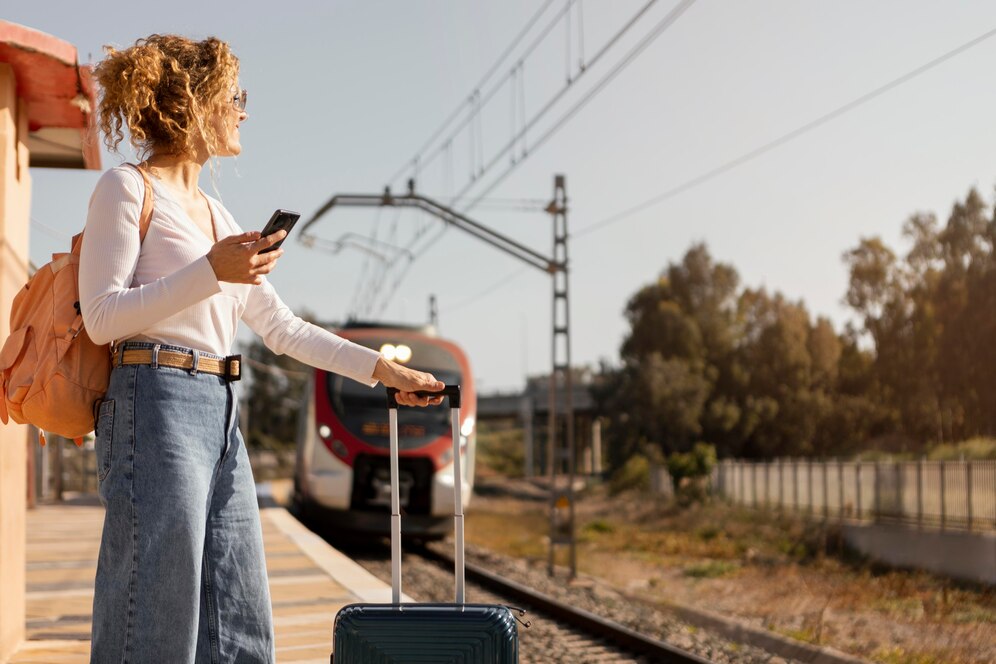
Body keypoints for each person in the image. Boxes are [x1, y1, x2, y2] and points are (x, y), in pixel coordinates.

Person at [80, 34, 443, 663]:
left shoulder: (220, 217)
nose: (243, 110)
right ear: (192, 102)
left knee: (241, 619)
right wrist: (211, 272)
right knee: (157, 616)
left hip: (221, 409)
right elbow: (102, 319)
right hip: (153, 404)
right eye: (234, 96)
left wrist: (379, 369)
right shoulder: (127, 190)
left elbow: (282, 329)